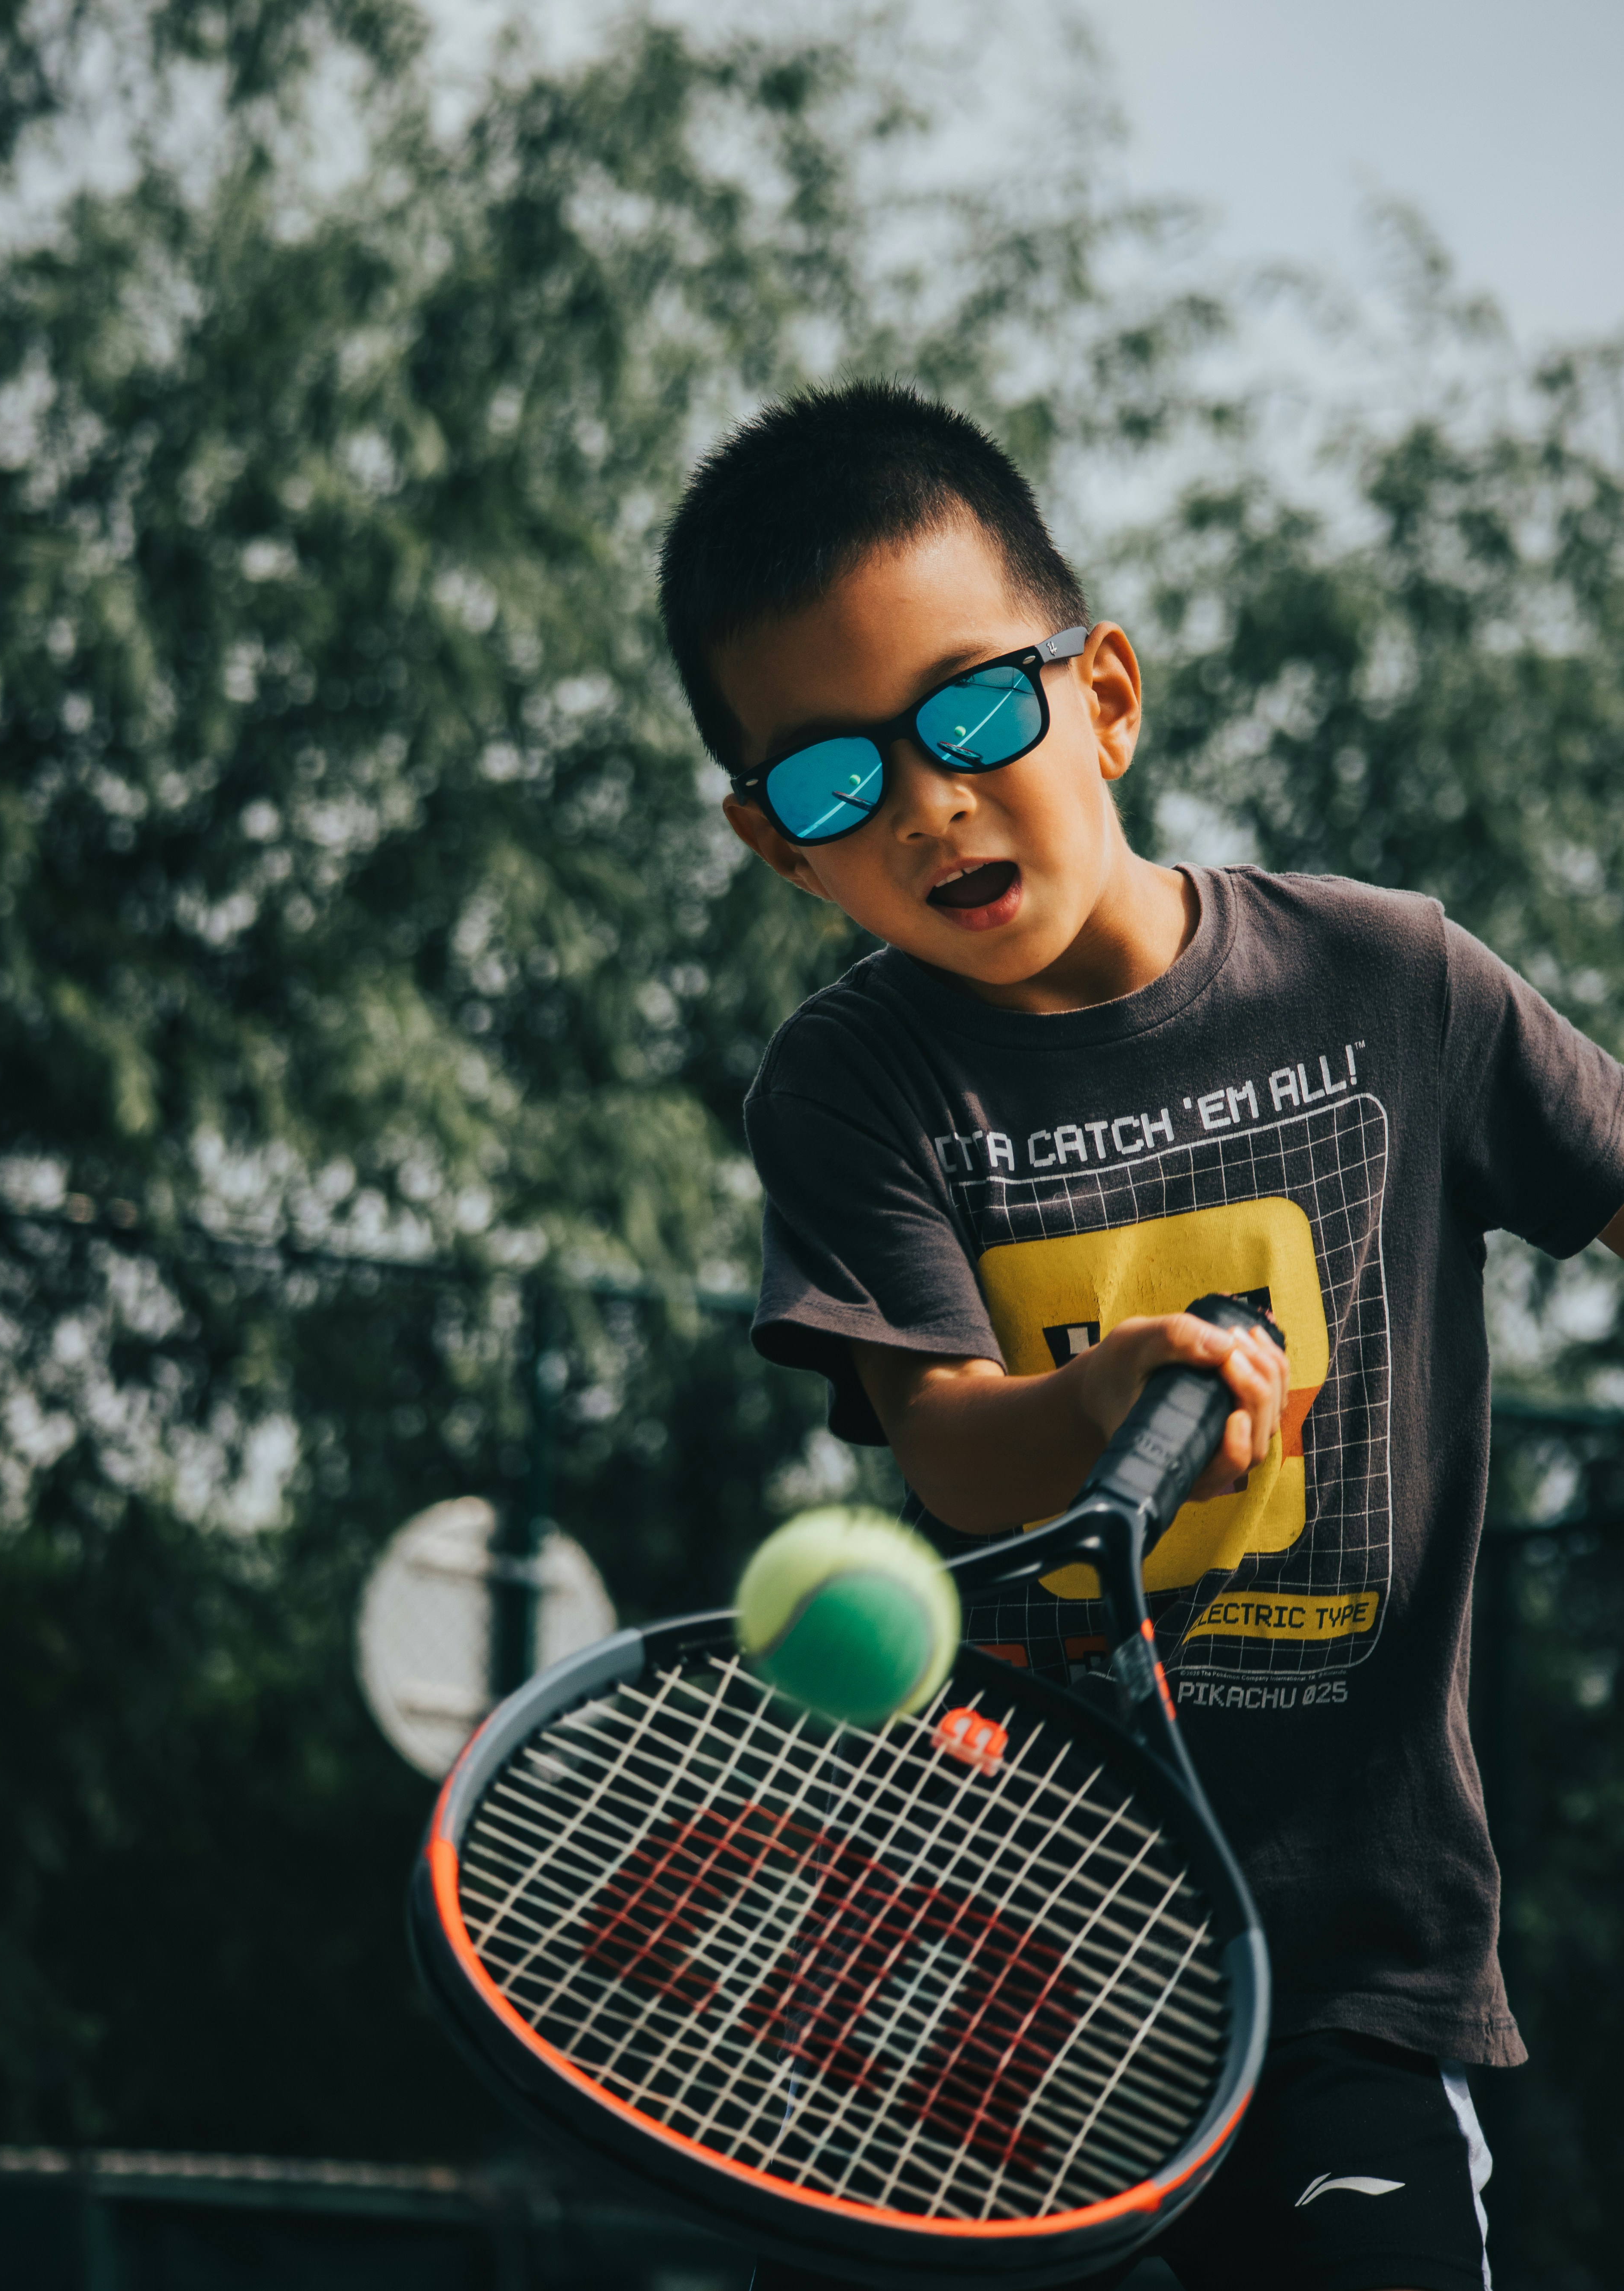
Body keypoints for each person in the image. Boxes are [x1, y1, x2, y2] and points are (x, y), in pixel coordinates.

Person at [656, 380, 1624, 2291]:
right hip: (1002, 1947)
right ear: (780, 845)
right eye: (839, 780)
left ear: (1099, 694)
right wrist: (1097, 1397)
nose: (929, 799)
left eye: (969, 712)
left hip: (1355, 1954)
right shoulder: (851, 1087)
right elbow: (940, 1433)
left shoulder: (1395, 978)